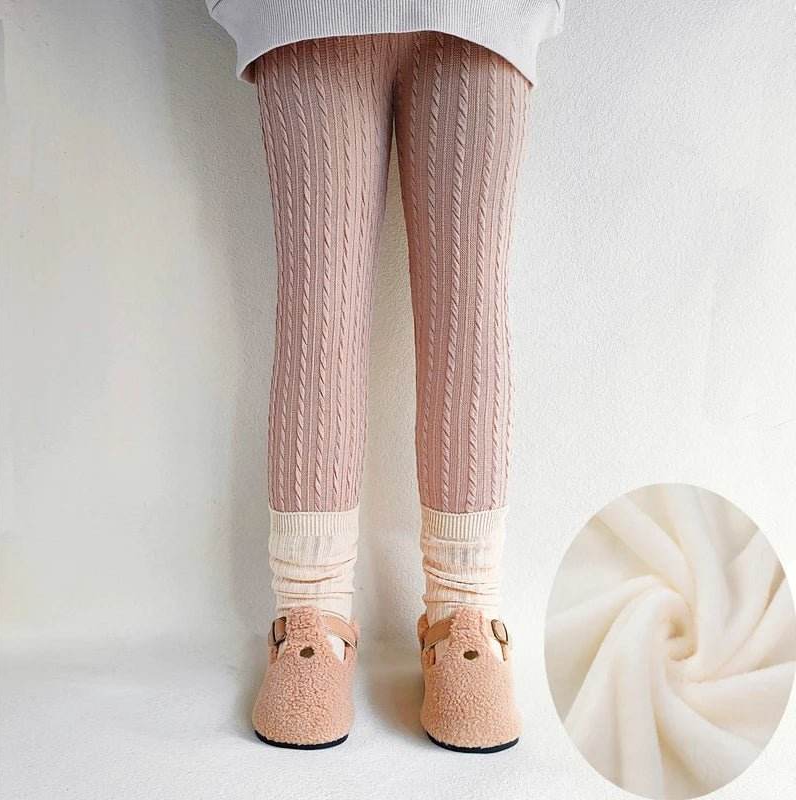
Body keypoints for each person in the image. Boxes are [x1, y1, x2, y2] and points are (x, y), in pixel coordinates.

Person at [204, 0, 565, 752]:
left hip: (483, 15)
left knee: (469, 307)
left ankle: (464, 611)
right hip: (306, 14)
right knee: (317, 310)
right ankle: (310, 613)